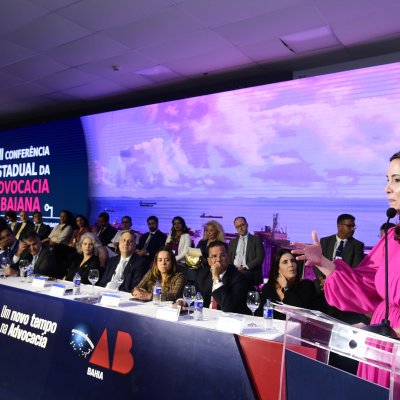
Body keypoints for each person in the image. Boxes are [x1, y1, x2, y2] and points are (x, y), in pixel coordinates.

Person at [291, 151, 400, 388]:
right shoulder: (392, 237)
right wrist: (324, 263)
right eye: (387, 179)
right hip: (381, 345)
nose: (387, 188)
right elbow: (366, 284)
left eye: (397, 180)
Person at [256, 249, 316, 319]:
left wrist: (286, 289)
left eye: (292, 261)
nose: (291, 265)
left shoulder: (307, 285)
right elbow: (260, 315)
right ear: (277, 269)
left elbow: (300, 314)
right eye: (285, 262)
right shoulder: (268, 288)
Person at [195, 240, 251, 314]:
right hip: (205, 316)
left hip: (228, 319)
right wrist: (182, 301)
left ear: (228, 258)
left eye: (222, 255)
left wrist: (216, 277)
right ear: (209, 261)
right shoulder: (203, 273)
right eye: (214, 256)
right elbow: (193, 295)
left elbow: (227, 307)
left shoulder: (238, 278)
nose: (218, 260)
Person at [228, 217, 265, 286]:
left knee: (240, 277)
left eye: (242, 225)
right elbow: (229, 259)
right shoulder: (232, 242)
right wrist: (233, 268)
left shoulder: (256, 240)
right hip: (234, 270)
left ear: (247, 225)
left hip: (250, 271)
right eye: (238, 227)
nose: (240, 228)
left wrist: (244, 267)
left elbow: (260, 258)